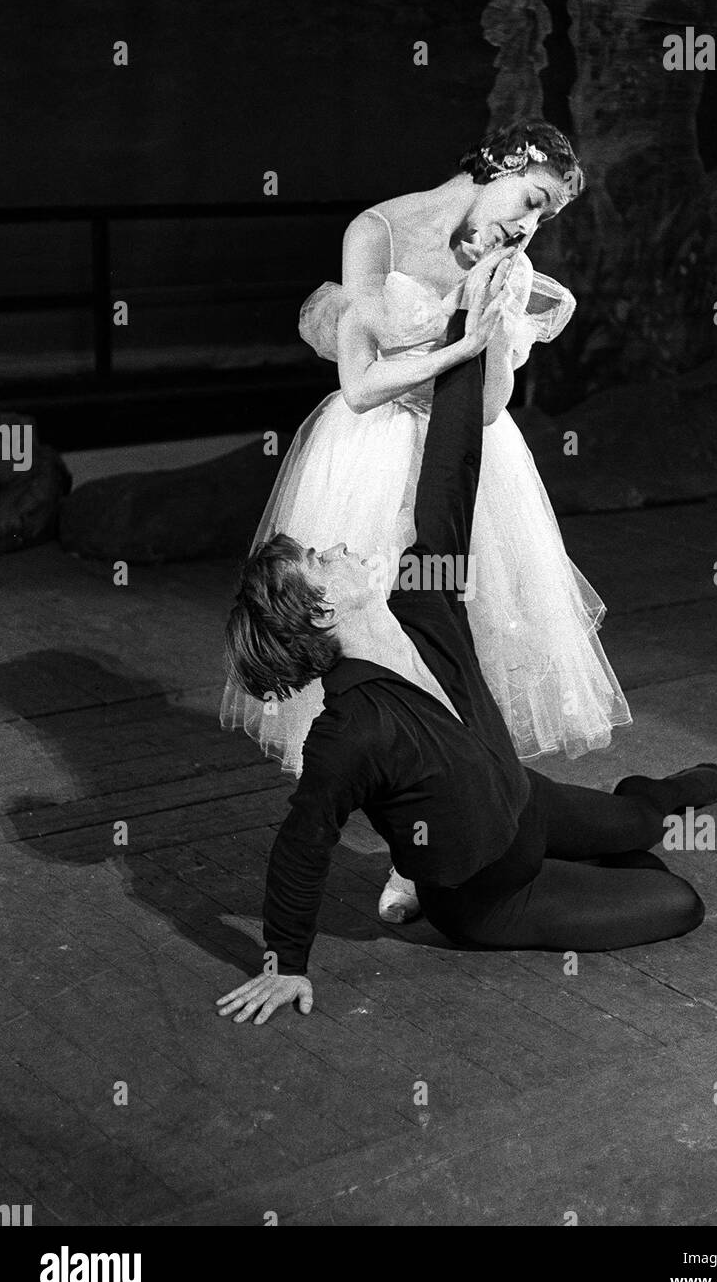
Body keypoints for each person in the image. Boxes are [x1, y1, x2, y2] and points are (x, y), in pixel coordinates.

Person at [216, 265, 717, 1026]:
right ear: (322, 609)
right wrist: (284, 963)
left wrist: (472, 332)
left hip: (524, 804)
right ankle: (580, 861)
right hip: (496, 895)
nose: (339, 548)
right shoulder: (350, 732)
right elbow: (302, 844)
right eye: (322, 560)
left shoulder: (420, 601)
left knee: (641, 828)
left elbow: (450, 471)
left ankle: (649, 799)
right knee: (676, 900)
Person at [219, 122, 633, 922]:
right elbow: (362, 383)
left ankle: (481, 814)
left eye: (546, 220)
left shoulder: (508, 263)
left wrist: (495, 323)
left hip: (464, 456)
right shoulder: (378, 230)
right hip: (371, 450)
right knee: (378, 646)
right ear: (504, 166)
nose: (529, 226)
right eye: (532, 201)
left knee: (468, 637)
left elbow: (485, 409)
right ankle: (409, 841)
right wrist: (458, 340)